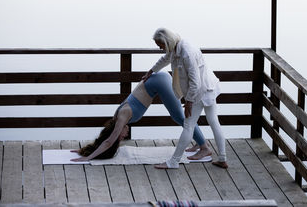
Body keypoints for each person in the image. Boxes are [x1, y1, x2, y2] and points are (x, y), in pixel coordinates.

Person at [71, 71, 211, 161]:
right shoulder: (117, 118)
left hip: (160, 82)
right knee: (178, 117)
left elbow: (108, 142)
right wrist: (85, 150)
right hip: (157, 80)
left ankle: (204, 147)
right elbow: (104, 139)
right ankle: (199, 144)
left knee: (180, 117)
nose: (124, 136)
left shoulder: (121, 118)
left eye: (120, 136)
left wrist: (88, 157)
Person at [142, 28, 228, 169]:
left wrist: (189, 102)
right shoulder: (175, 48)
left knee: (189, 125)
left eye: (160, 45)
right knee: (213, 121)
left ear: (166, 41)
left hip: (201, 90)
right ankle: (222, 158)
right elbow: (164, 59)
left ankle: (173, 162)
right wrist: (150, 72)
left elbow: (195, 82)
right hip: (207, 88)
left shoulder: (187, 52)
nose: (160, 48)